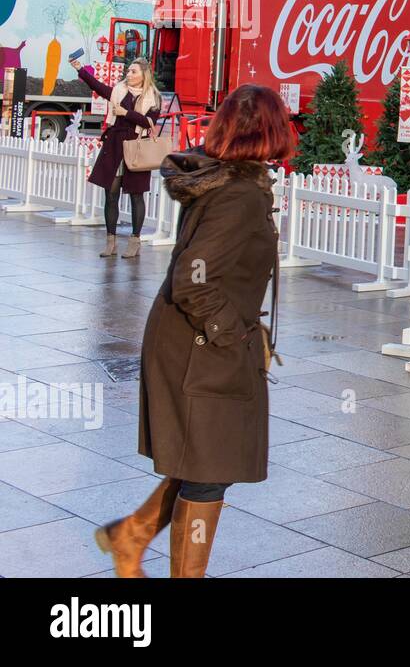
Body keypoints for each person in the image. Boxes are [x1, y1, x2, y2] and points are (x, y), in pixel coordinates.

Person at [92, 84, 294, 578]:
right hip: (201, 345)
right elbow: (193, 276)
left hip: (190, 340)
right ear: (268, 132)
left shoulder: (226, 180)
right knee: (210, 471)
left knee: (203, 458)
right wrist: (231, 330)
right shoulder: (240, 193)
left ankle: (130, 537)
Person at [71, 56, 161, 259]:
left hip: (136, 148)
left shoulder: (153, 97)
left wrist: (126, 112)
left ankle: (134, 241)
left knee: (136, 195)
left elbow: (150, 123)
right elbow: (98, 87)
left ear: (143, 75)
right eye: (128, 71)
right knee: (111, 194)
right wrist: (80, 69)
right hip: (115, 146)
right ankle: (110, 241)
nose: (128, 75)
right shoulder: (118, 91)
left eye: (133, 72)